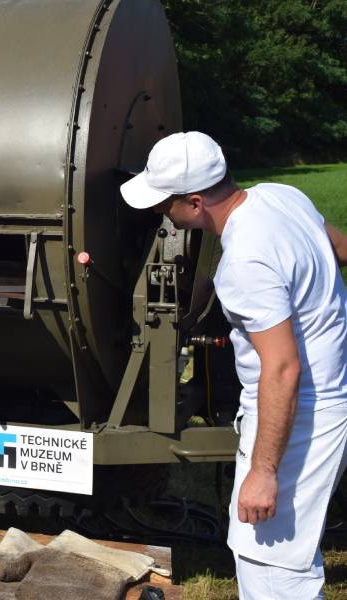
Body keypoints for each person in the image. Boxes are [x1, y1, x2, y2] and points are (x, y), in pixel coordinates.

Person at [120, 131, 347, 599]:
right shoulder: (282, 197)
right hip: (322, 395)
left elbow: (282, 368)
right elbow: (340, 250)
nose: (161, 212)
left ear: (195, 203)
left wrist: (264, 472)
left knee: (271, 562)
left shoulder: (244, 260)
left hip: (300, 411)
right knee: (280, 553)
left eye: (165, 204)